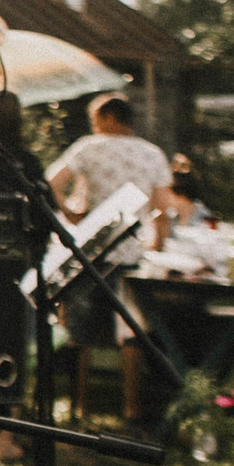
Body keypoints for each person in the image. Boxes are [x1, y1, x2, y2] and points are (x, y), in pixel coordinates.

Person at [46, 92, 168, 424]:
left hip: (93, 250)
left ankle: (79, 406)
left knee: (79, 331)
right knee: (131, 331)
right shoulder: (152, 154)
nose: (93, 126)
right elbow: (162, 206)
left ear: (110, 117)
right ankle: (131, 407)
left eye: (96, 119)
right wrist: (157, 244)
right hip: (132, 252)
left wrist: (70, 213)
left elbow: (50, 182)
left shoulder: (90, 147)